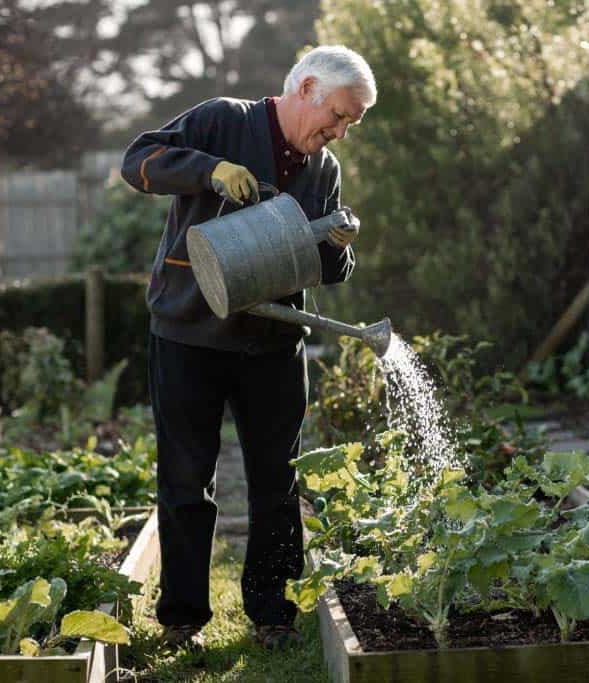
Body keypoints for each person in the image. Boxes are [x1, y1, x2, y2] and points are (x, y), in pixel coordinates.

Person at [120, 45, 375, 651]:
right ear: (308, 87)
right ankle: (182, 618)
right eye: (338, 116)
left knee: (278, 481)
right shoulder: (222, 120)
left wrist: (339, 242)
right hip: (187, 330)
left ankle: (273, 613)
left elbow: (328, 269)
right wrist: (208, 171)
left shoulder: (324, 170)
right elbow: (138, 161)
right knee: (185, 478)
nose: (339, 132)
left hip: (273, 340)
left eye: (349, 125)